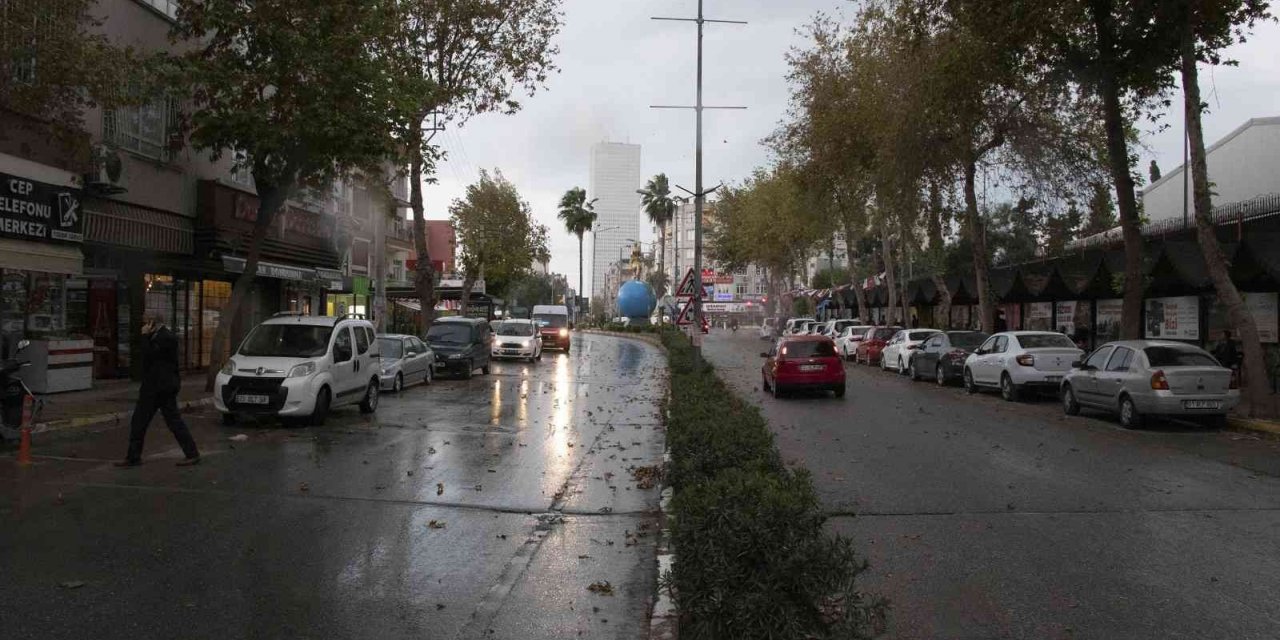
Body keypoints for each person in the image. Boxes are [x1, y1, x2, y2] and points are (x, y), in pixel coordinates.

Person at [116, 313, 201, 467]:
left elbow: (150, 355)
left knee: (171, 421)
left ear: (152, 322)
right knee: (140, 421)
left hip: (161, 387)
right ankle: (133, 456)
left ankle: (192, 453)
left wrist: (144, 337)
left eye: (145, 322)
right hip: (154, 387)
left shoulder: (166, 338)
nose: (143, 325)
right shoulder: (156, 337)